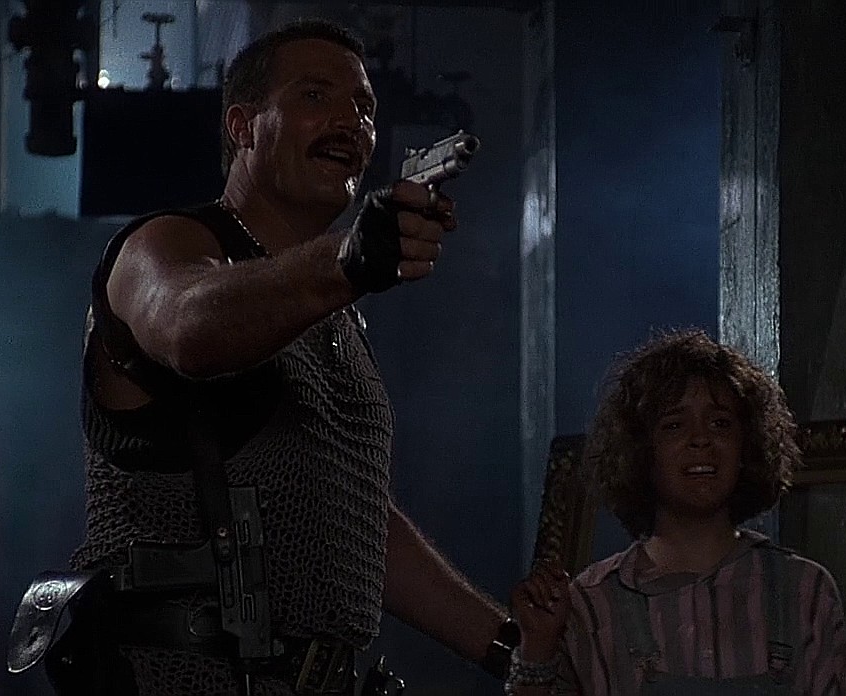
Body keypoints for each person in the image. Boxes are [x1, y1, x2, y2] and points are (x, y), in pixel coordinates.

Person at [45, 18, 515, 695]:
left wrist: (511, 651)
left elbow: (356, 519)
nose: (350, 123)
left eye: (364, 108)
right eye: (315, 96)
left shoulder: (333, 308)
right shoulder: (164, 245)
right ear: (243, 126)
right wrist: (347, 259)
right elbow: (187, 325)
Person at [507, 330, 846, 695]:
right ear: (641, 451)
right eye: (674, 425)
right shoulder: (594, 605)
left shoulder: (803, 591)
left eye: (720, 423)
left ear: (746, 445)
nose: (700, 439)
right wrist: (537, 649)